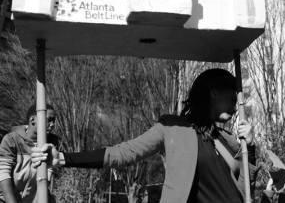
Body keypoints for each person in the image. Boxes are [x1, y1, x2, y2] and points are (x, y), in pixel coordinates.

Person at [32, 68, 256, 203]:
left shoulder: (226, 139)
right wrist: (62, 158)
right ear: (214, 93)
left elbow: (245, 187)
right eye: (232, 99)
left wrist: (249, 148)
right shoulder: (172, 128)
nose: (236, 107)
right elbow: (122, 154)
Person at [0, 104, 58, 203]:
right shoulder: (11, 140)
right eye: (49, 119)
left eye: (54, 121)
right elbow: (3, 174)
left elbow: (48, 175)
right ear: (32, 120)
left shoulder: (52, 142)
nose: (52, 124)